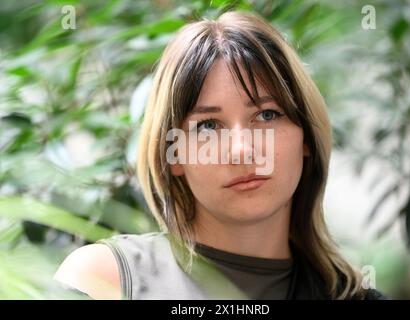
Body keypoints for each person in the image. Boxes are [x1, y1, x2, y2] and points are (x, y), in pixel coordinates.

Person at [54, 10, 388, 300]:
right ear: (174, 156)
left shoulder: (354, 297)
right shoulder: (103, 281)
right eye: (209, 126)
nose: (242, 151)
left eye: (267, 115)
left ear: (306, 139)